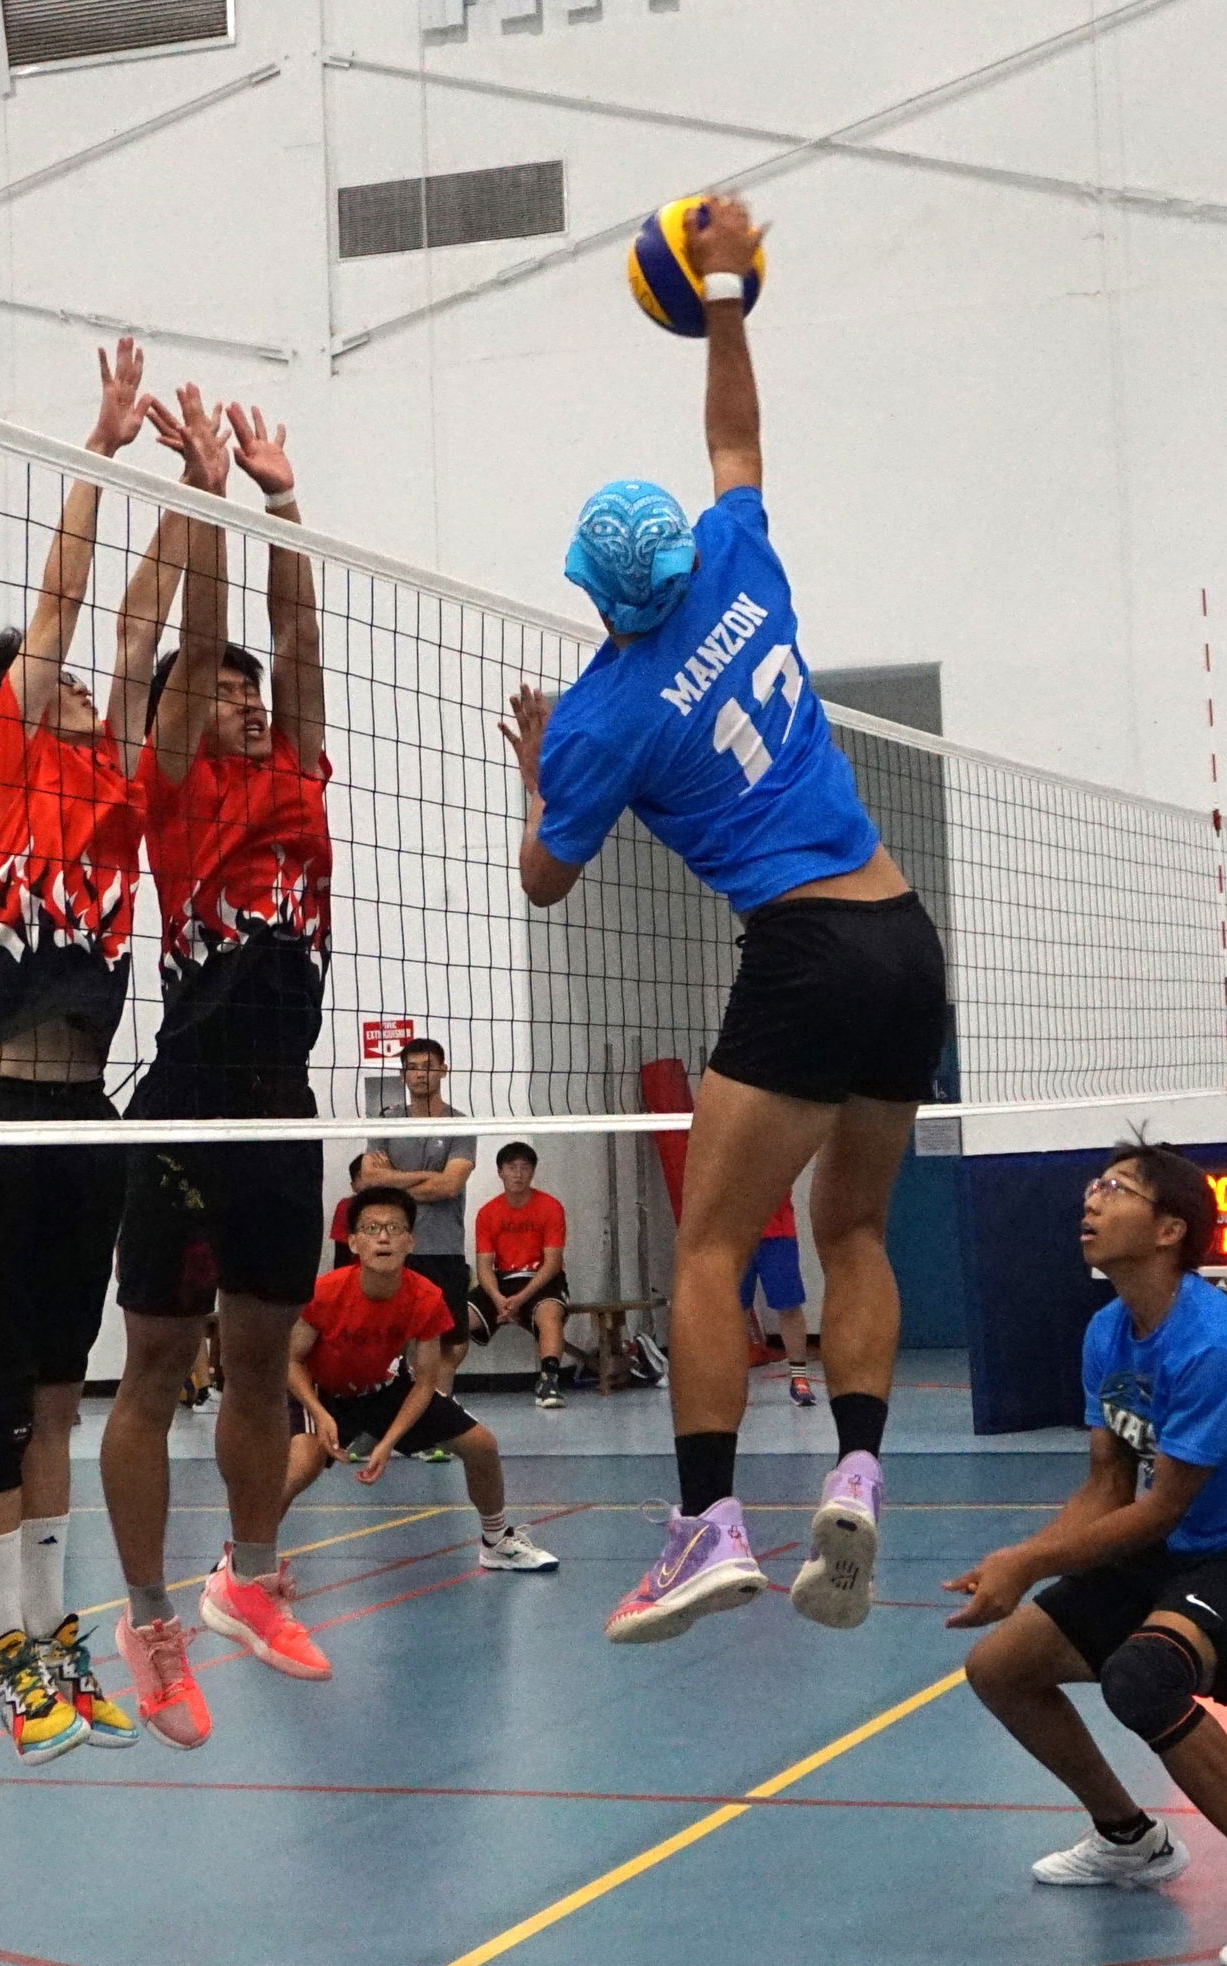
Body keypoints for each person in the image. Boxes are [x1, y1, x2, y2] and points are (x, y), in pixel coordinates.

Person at [502, 193, 946, 1645]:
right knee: (857, 1225)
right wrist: (730, 290)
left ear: (595, 592)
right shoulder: (743, 560)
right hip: (902, 934)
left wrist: (537, 768)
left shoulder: (601, 715)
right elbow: (737, 441)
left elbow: (546, 881)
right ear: (682, 561)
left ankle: (704, 1524)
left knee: (710, 1244)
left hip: (805, 955)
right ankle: (862, 1474)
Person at [0, 340, 176, 1762]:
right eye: (53, 681)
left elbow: (136, 628)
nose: (78, 687)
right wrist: (101, 447)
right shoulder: (6, 751)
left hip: (89, 1119)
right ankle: (2, 1644)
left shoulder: (113, 791)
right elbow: (71, 609)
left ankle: (59, 1637)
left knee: (63, 1393)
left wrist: (202, 496)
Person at [106, 395, 336, 1741]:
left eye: (252, 690)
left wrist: (280, 502)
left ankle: (250, 1581)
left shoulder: (303, 780)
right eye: (223, 689)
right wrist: (200, 499)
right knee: (153, 1367)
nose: (243, 694)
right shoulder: (176, 789)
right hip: (185, 1102)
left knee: (260, 1365)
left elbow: (292, 635)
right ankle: (148, 1621)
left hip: (281, 1108)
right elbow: (195, 647)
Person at [948, 1143, 1227, 1963]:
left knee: (1143, 1679)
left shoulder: (1213, 1343)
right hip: (1174, 1547)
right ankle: (1131, 1839)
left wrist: (1029, 1564)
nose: (1091, 1201)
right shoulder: (1109, 1331)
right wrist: (1025, 1554)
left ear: (1169, 1229)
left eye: (1115, 1188)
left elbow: (1162, 1509)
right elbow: (1109, 1483)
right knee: (1000, 1667)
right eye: (1091, 1186)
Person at [283, 1187, 557, 1572]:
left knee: (481, 1445)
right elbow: (292, 1361)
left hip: (383, 1387)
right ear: (354, 1242)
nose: (383, 1237)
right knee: (301, 1466)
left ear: (410, 1241)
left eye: (394, 1228)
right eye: (372, 1228)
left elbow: (426, 1380)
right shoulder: (325, 1292)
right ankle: (245, 1559)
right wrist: (319, 1414)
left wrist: (388, 1442)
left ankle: (496, 1541)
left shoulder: (425, 1297)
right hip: (320, 1390)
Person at [363, 1037, 477, 1413]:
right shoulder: (388, 1120)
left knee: (450, 1343)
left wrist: (394, 1178)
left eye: (428, 1066)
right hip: (393, 1249)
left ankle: (434, 1416)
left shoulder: (460, 1124)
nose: (420, 1074)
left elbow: (450, 1185)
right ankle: (378, 1421)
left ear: (443, 1070)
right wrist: (423, 1178)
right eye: (413, 1067)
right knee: (388, 1339)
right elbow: (367, 1179)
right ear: (403, 1074)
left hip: (443, 1247)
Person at [468, 1142, 571, 1409]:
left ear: (533, 1172)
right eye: (511, 1168)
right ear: (500, 1172)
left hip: (541, 1279)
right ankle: (436, 1389)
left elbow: (552, 1263)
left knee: (549, 1313)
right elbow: (484, 1266)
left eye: (525, 1168)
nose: (518, 1174)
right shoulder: (488, 1213)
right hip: (501, 1282)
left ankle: (549, 1381)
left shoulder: (550, 1207)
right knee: (454, 1319)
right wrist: (499, 1298)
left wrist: (521, 1298)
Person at [741, 1193, 817, 1406]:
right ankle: (736, 1381)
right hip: (735, 1232)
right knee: (735, 1308)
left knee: (789, 1305)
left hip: (777, 1231)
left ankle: (799, 1378)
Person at [330, 1154, 364, 1268]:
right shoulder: (346, 1206)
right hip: (353, 1275)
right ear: (353, 1185)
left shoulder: (395, 1208)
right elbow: (341, 1256)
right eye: (360, 1175)